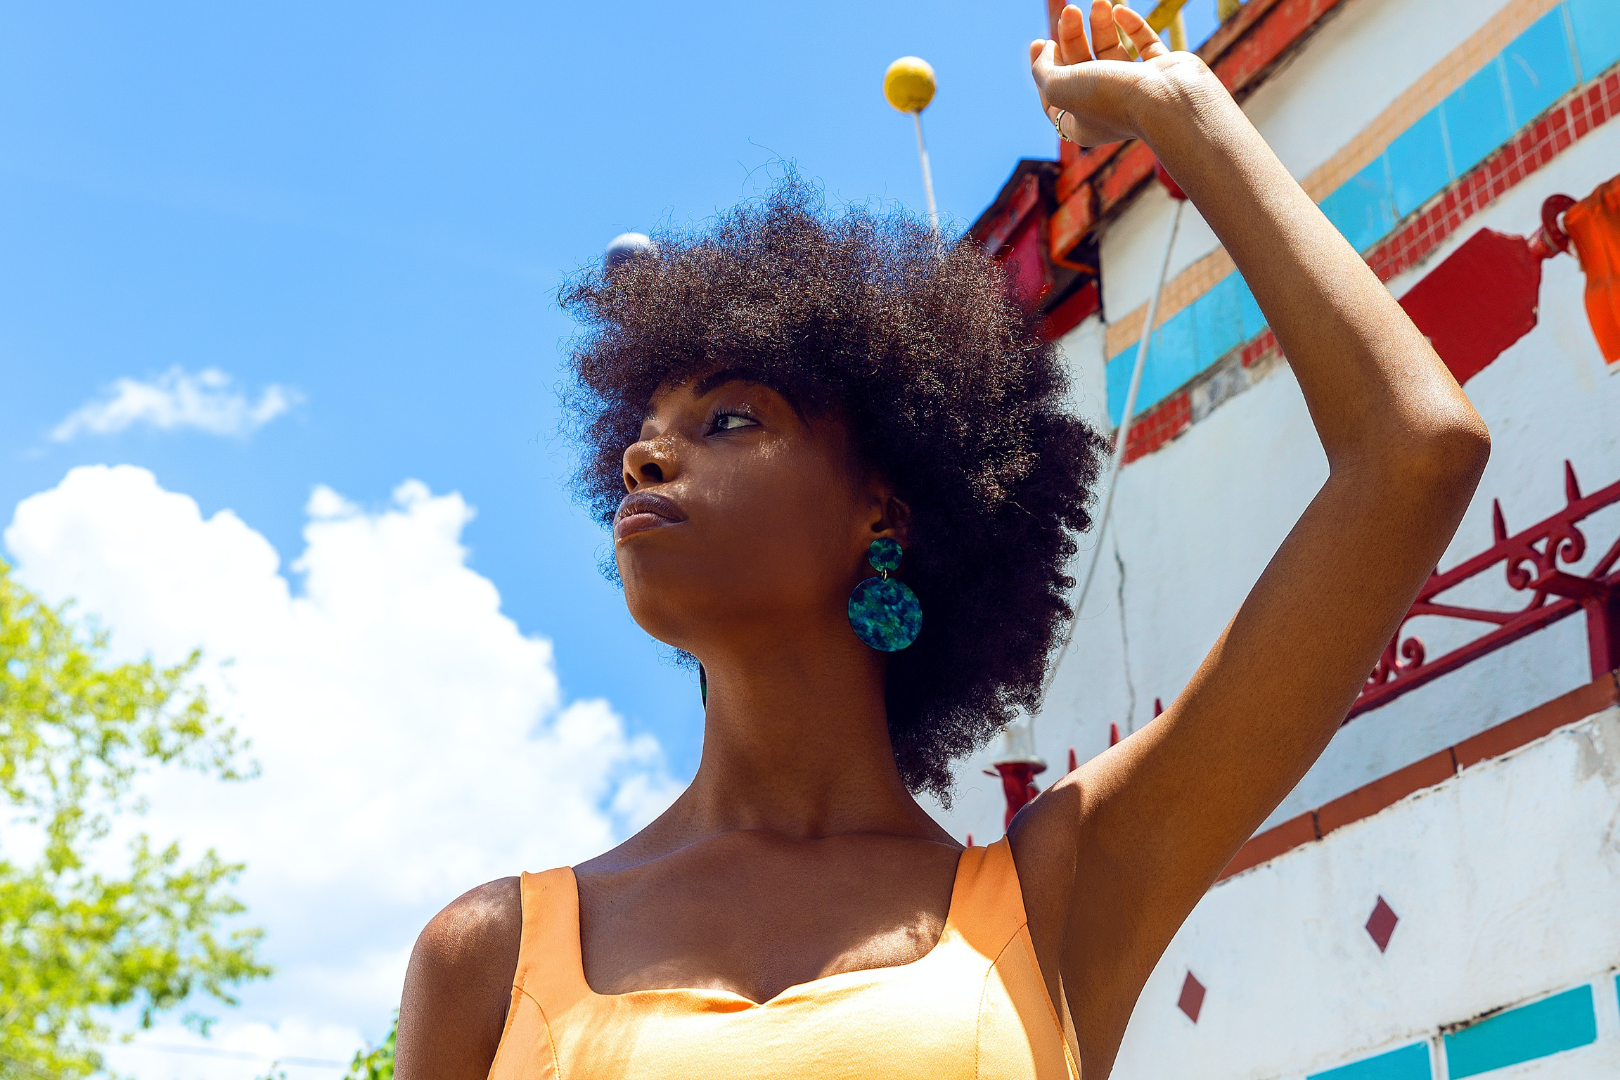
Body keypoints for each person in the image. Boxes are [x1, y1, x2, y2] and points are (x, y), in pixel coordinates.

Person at [394, 4, 1490, 1078]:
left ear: (889, 507)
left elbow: (1416, 453)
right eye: (639, 437)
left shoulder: (1056, 898)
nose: (645, 458)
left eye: (728, 420)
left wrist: (1182, 113)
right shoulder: (490, 956)